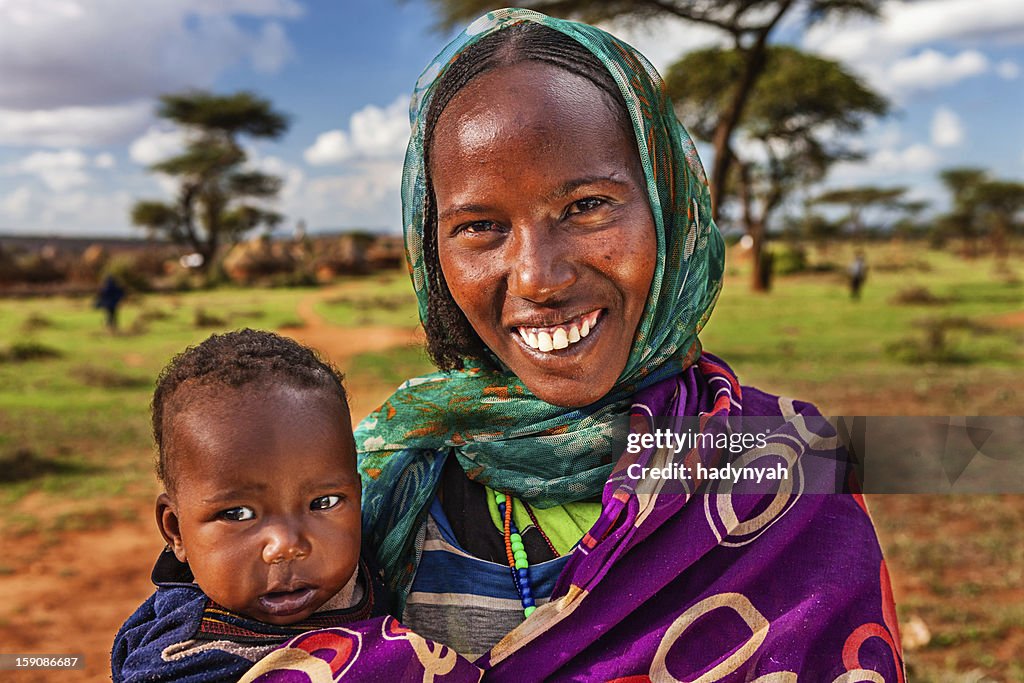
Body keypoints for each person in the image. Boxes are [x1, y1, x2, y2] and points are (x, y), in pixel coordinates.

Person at [245, 8, 904, 681]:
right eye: (480, 225)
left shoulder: (785, 465)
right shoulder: (374, 487)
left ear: (667, 211)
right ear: (430, 247)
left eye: (587, 205)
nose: (539, 275)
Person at [111, 329, 483, 683]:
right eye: (238, 514)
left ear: (359, 494)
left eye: (323, 502)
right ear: (176, 530)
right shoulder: (185, 656)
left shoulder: (381, 562)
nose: (287, 544)